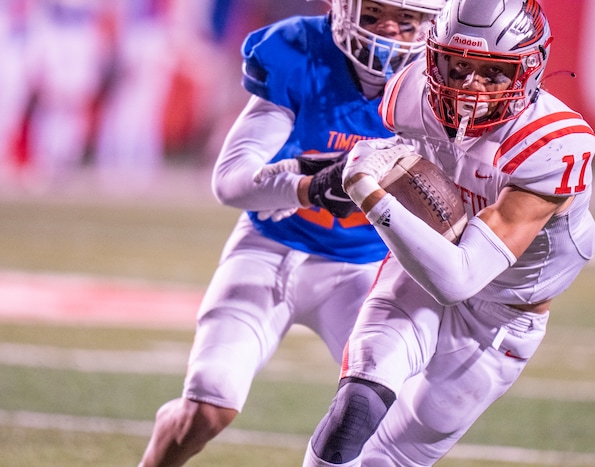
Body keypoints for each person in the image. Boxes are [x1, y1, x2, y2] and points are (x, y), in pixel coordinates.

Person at [138, 0, 446, 465]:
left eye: (406, 21)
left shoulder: (442, 83)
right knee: (209, 402)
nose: (389, 33)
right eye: (373, 16)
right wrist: (309, 186)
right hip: (270, 248)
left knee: (388, 418)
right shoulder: (299, 51)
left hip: (364, 270)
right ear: (344, 10)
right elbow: (230, 180)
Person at [302, 0, 595, 465]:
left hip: (501, 316)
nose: (469, 87)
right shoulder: (411, 94)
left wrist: (370, 195)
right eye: (457, 65)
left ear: (529, 70)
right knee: (355, 407)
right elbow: (413, 160)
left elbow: (459, 279)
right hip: (418, 271)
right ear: (434, 55)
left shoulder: (551, 144)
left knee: (390, 458)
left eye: (492, 73)